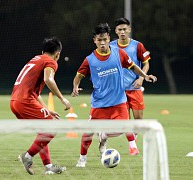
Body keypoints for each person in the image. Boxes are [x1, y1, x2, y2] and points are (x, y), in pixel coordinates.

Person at [71, 23, 157, 168]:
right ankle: (82, 159)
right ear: (94, 40)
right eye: (99, 40)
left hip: (118, 101)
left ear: (108, 38)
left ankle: (116, 140)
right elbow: (78, 76)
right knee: (87, 133)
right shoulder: (90, 59)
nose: (103, 43)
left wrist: (145, 76)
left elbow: (134, 67)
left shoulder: (119, 53)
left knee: (125, 126)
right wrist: (75, 87)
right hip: (99, 104)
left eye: (105, 39)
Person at [10, 37, 71, 175]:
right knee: (53, 127)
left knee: (44, 130)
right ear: (58, 54)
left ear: (43, 51)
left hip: (15, 102)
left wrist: (47, 110)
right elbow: (48, 79)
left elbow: (35, 92)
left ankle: (48, 167)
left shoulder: (35, 59)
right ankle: (27, 156)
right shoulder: (50, 61)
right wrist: (62, 99)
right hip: (25, 101)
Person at [110, 17, 150, 140]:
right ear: (116, 31)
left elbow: (146, 64)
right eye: (119, 29)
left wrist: (141, 79)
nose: (122, 32)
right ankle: (131, 143)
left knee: (138, 118)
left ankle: (135, 138)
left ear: (129, 30)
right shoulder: (110, 46)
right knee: (124, 119)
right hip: (119, 90)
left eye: (124, 29)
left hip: (135, 87)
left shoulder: (137, 45)